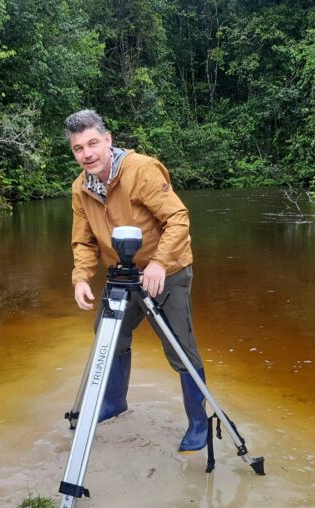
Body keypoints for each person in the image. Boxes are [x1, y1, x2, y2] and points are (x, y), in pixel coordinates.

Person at [65, 109, 208, 452]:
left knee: (179, 346)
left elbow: (177, 219)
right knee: (108, 335)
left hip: (167, 271)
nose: (87, 154)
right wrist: (81, 279)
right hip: (122, 274)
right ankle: (115, 402)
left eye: (93, 143)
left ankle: (198, 423)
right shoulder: (80, 188)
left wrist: (158, 264)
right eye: (78, 148)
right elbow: (83, 241)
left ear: (108, 140)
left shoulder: (141, 169)